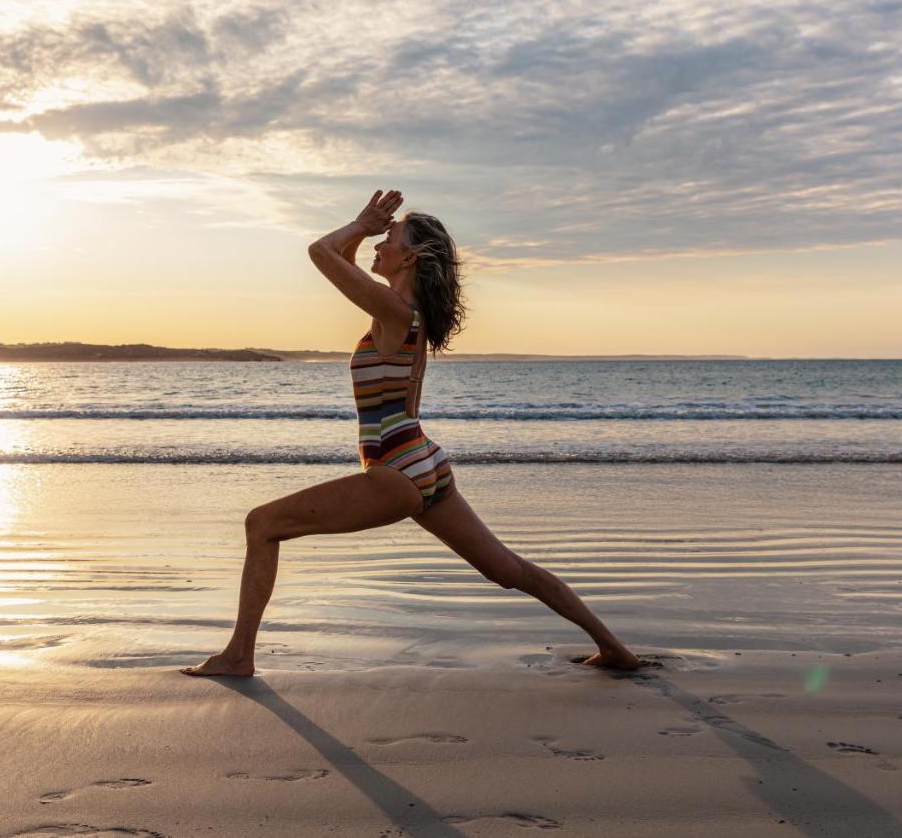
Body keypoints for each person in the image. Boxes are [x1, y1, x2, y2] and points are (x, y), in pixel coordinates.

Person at [182, 189, 648, 677]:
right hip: (425, 462)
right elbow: (342, 261)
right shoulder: (404, 312)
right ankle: (615, 648)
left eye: (391, 239)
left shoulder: (396, 313)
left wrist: (360, 224)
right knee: (508, 570)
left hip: (396, 471)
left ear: (411, 257)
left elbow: (320, 252)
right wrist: (364, 233)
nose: (380, 244)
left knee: (262, 524)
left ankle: (238, 657)